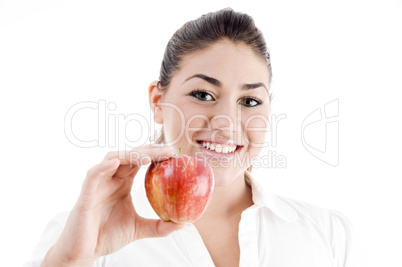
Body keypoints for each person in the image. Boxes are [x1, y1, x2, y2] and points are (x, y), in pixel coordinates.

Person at [25, 8, 362, 267]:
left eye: (250, 101)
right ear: (158, 102)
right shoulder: (83, 234)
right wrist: (72, 259)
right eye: (203, 94)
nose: (228, 123)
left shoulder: (327, 234)